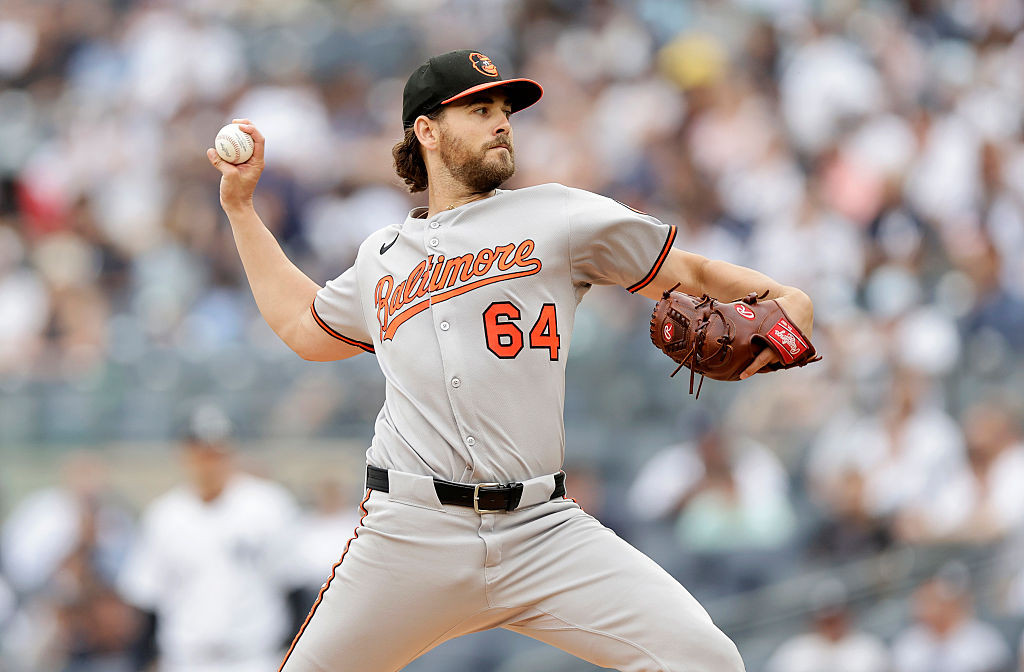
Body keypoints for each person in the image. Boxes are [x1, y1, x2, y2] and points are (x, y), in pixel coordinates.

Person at [206, 49, 815, 672]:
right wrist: (241, 209)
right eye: (479, 108)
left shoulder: (557, 214)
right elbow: (303, 328)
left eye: (505, 110)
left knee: (704, 658)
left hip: (540, 530)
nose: (502, 122)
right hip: (411, 531)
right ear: (427, 130)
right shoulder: (381, 256)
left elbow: (691, 273)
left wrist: (787, 302)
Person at [117, 404, 303, 672]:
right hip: (185, 659)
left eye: (216, 452)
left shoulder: (269, 505)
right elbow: (149, 604)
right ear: (183, 454)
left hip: (255, 658)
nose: (208, 461)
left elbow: (294, 588)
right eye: (199, 451)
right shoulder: (164, 516)